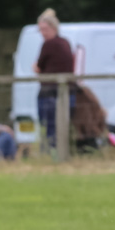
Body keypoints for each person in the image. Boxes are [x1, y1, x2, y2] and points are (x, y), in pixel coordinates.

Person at [33, 8, 77, 148]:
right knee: (63, 127)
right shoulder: (65, 42)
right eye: (40, 30)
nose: (42, 33)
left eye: (44, 29)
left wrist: (37, 68)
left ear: (53, 28)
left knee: (49, 128)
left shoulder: (49, 44)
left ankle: (51, 153)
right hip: (68, 92)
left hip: (49, 93)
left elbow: (38, 67)